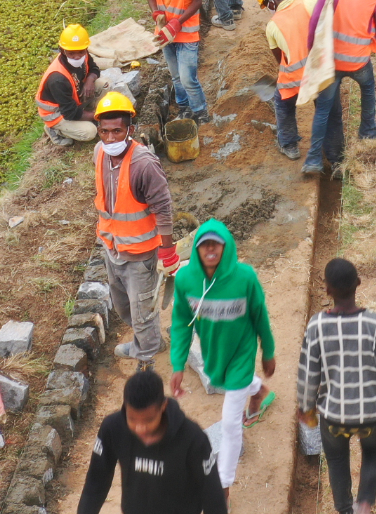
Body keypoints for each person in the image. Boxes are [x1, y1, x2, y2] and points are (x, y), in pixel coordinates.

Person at [296, 258, 376, 514]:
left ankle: (345, 509)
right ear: (358, 284)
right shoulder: (375, 324)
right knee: (372, 455)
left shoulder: (316, 326)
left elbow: (307, 375)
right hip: (371, 416)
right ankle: (366, 504)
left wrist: (305, 407)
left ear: (327, 290)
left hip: (334, 418)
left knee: (337, 461)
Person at [170, 221, 277, 493]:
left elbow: (259, 315)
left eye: (215, 244)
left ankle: (223, 487)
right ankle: (258, 390)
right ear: (196, 248)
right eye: (204, 244)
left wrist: (268, 351)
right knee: (227, 382)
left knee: (230, 423)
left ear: (225, 246)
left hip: (242, 350)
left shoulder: (245, 277)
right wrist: (178, 363)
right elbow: (183, 322)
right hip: (215, 352)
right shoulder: (185, 280)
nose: (210, 249)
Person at [92, 90, 179, 362]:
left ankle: (147, 355)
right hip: (113, 248)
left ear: (130, 129)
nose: (110, 138)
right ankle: (149, 340)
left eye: (117, 131)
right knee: (124, 308)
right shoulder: (99, 153)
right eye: (105, 132)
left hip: (140, 255)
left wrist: (167, 252)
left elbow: (163, 210)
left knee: (143, 312)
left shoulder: (144, 165)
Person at [78, 371, 228, 514]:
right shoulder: (112, 429)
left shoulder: (193, 439)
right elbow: (96, 482)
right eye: (132, 419)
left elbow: (212, 495)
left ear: (163, 406)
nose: (140, 428)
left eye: (149, 420)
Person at [303, 0, 376, 176]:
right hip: (359, 61)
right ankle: (368, 132)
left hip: (332, 63)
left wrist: (313, 53)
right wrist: (374, 43)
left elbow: (316, 21)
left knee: (323, 111)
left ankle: (313, 160)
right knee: (368, 88)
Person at [144, 0, 211, 120]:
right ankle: (184, 108)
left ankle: (200, 111)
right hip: (165, 33)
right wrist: (156, 13)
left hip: (187, 32)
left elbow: (197, 1)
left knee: (187, 78)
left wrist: (177, 23)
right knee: (175, 77)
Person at [257, 0, 315, 160]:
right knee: (326, 107)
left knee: (282, 103)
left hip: (296, 77)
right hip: (322, 70)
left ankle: (290, 146)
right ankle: (332, 150)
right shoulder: (309, 4)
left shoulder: (272, 25)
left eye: (266, 5)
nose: (268, 9)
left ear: (272, 1)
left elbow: (280, 59)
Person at [36, 23, 100, 144]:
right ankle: (55, 129)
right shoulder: (57, 79)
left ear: (86, 49)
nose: (77, 57)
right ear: (62, 51)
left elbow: (94, 68)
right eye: (71, 53)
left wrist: (90, 80)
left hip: (73, 98)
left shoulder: (84, 55)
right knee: (90, 132)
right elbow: (70, 113)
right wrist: (98, 115)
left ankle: (88, 111)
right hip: (58, 114)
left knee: (104, 84)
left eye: (81, 52)